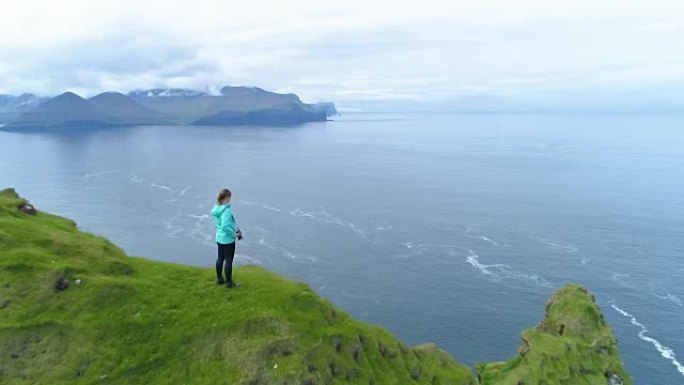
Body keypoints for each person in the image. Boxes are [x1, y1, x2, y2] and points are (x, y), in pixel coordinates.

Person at [211, 188, 242, 288]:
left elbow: (219, 225)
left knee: (220, 258)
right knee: (229, 260)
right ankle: (229, 283)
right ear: (227, 197)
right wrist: (235, 234)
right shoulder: (226, 211)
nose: (231, 198)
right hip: (228, 240)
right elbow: (225, 227)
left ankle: (220, 279)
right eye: (230, 196)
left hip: (219, 238)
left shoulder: (217, 208)